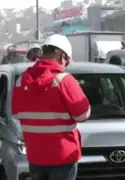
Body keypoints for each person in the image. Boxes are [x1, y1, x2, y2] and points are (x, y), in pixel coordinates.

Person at [12, 34, 91, 180]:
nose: (66, 66)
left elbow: (16, 113)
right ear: (62, 57)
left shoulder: (21, 81)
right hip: (63, 156)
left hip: (35, 156)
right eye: (67, 61)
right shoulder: (64, 80)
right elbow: (83, 115)